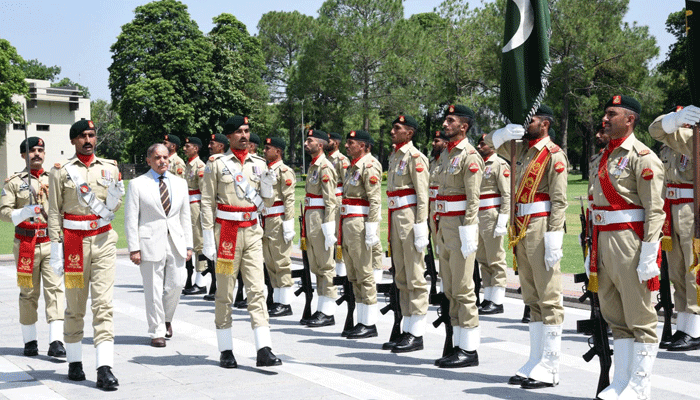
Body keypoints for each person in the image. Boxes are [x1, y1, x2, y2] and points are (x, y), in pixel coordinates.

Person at [582, 95, 666, 399]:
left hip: (630, 241)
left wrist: (648, 253)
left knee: (640, 316)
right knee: (615, 315)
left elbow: (655, 210)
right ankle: (622, 380)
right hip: (603, 240)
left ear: (629, 119)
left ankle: (641, 384)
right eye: (606, 114)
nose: (605, 119)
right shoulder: (603, 157)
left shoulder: (643, 157)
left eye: (611, 114)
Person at [486, 104, 567, 389]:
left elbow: (559, 201)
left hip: (542, 225)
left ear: (544, 124)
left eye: (530, 120)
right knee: (532, 298)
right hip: (521, 226)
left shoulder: (553, 155)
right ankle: (536, 359)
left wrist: (555, 235)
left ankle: (552, 364)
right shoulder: (519, 150)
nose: (525, 124)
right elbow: (486, 145)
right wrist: (501, 133)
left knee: (549, 296)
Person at [48, 119, 124, 390]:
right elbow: (55, 213)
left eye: (91, 135)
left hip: (103, 240)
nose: (88, 140)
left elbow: (114, 204)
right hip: (73, 245)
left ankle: (104, 368)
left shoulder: (111, 168)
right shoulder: (60, 171)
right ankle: (75, 361)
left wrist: (116, 197)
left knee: (103, 306)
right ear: (73, 141)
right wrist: (56, 250)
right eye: (82, 136)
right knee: (75, 307)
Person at [200, 115, 282, 368]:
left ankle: (264, 348)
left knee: (258, 289)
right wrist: (207, 239)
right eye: (239, 132)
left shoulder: (259, 164)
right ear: (228, 137)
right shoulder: (216, 164)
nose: (244, 136)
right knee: (224, 291)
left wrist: (268, 190)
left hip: (253, 232)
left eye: (247, 131)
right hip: (226, 234)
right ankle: (226, 349)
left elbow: (266, 204)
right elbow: (207, 201)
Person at [0, 137, 65, 358]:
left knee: (55, 290)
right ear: (22, 155)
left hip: (50, 242)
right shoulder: (14, 182)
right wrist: (22, 213)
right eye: (31, 150)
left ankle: (56, 341)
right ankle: (30, 340)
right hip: (25, 245)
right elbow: (3, 212)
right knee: (28, 293)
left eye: (40, 150)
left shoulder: (54, 178)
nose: (37, 154)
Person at [125, 143, 193, 347]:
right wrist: (134, 248)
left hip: (176, 241)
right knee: (153, 289)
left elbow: (185, 216)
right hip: (150, 242)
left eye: (165, 157)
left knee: (178, 283)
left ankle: (166, 318)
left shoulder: (180, 183)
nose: (162, 161)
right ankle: (157, 331)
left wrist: (189, 245)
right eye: (157, 158)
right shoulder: (138, 184)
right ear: (148, 161)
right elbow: (131, 219)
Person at [433, 105, 483, 368]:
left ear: (464, 127)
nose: (446, 123)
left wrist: (469, 229)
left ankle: (469, 349)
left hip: (461, 227)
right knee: (450, 289)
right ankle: (456, 342)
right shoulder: (446, 154)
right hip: (445, 227)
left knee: (464, 289)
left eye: (451, 120)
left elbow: (473, 199)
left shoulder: (470, 156)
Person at [649, 104, 700, 351]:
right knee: (677, 270)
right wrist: (673, 119)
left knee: (693, 269)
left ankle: (695, 328)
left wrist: (674, 125)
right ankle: (684, 326)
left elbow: (656, 130)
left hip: (692, 208)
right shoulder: (670, 144)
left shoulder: (692, 139)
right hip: (671, 207)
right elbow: (655, 129)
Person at [384, 115, 430, 352]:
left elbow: (423, 195)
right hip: (396, 218)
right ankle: (406, 327)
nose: (392, 131)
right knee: (401, 276)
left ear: (409, 133)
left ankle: (417, 332)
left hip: (410, 219)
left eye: (397, 128)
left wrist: (421, 225)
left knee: (415, 276)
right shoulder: (395, 156)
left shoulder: (415, 158)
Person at [341, 130, 382, 339]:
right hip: (349, 223)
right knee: (354, 274)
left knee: (364, 274)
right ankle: (361, 319)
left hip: (360, 224)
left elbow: (375, 200)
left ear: (364, 146)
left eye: (351, 143)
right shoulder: (353, 167)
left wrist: (372, 229)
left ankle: (369, 322)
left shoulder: (369, 165)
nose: (346, 146)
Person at [302, 129, 339, 327]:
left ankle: (328, 310)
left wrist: (328, 226)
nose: (306, 143)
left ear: (321, 145)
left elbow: (330, 200)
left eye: (310, 140)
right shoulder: (314, 165)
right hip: (311, 217)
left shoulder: (325, 167)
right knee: (316, 266)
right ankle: (321, 307)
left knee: (325, 266)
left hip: (320, 219)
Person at [475, 135, 510, 315]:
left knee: (495, 258)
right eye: (479, 144)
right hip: (478, 215)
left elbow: (506, 194)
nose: (480, 147)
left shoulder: (499, 165)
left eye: (483, 144)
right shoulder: (479, 164)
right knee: (483, 258)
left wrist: (502, 220)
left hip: (491, 214)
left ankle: (497, 300)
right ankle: (488, 297)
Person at [261, 137, 296, 317]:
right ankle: (277, 299)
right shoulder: (266, 171)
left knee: (281, 261)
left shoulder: (284, 171)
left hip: (278, 219)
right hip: (267, 219)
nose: (264, 151)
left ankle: (285, 302)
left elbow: (289, 198)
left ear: (278, 151)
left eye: (268, 148)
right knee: (270, 262)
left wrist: (288, 223)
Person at [181, 137, 210, 299]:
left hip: (196, 207)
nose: (185, 148)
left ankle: (201, 281)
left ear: (196, 149)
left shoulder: (199, 166)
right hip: (188, 206)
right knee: (190, 242)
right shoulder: (188, 165)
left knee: (199, 244)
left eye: (188, 146)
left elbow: (204, 192)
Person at [326, 132, 350, 278]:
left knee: (338, 235)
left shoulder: (341, 160)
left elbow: (347, 183)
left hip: (337, 200)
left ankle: (341, 272)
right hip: (327, 199)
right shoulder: (326, 159)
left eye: (328, 140)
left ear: (336, 143)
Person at [429, 131, 447, 245]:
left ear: (445, 143)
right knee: (436, 242)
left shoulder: (448, 160)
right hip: (432, 206)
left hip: (444, 206)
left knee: (445, 242)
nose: (433, 143)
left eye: (437, 141)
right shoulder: (432, 162)